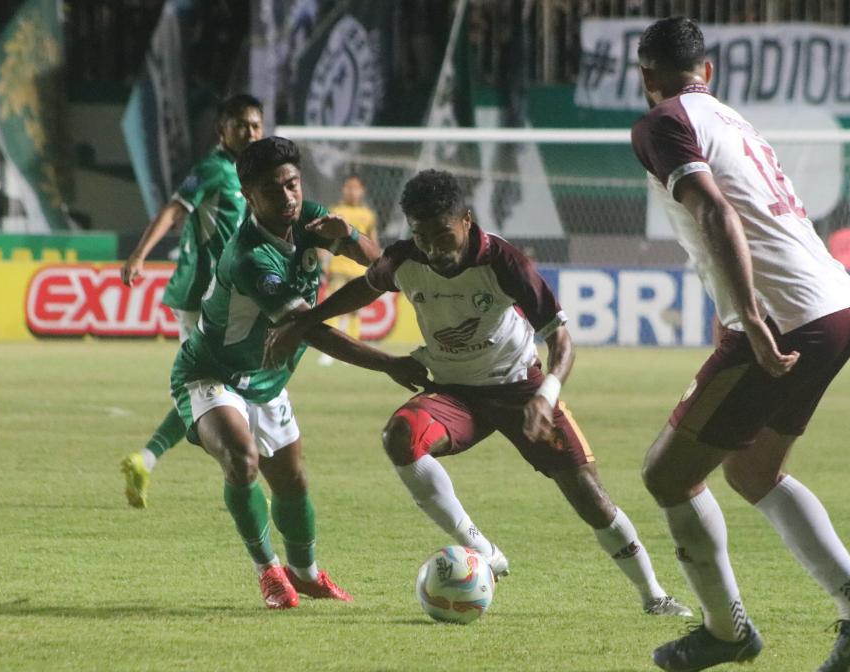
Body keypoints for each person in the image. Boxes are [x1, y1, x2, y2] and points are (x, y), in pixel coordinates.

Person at [265, 169, 694, 618]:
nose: (434, 248)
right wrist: (304, 322)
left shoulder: (505, 263)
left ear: (467, 220)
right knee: (399, 437)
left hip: (520, 391)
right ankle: (480, 547)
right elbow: (364, 288)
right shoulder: (405, 259)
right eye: (422, 236)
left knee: (588, 494)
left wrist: (545, 396)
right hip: (454, 394)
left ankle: (654, 595)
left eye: (443, 234)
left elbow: (562, 343)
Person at [629, 17, 850, 672]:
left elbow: (717, 211)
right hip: (838, 306)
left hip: (785, 317)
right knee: (752, 470)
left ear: (644, 77)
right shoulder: (733, 121)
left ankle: (727, 632)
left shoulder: (662, 123)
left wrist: (749, 316)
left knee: (668, 473)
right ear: (709, 72)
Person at [169, 135, 411, 609]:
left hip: (265, 377)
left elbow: (378, 264)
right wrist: (388, 363)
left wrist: (349, 237)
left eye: (293, 185)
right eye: (273, 190)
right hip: (211, 371)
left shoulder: (307, 216)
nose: (287, 197)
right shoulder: (250, 257)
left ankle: (307, 573)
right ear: (249, 195)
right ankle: (269, 573)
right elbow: (311, 331)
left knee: (293, 481)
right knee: (242, 460)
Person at [118, 93, 263, 509]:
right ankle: (241, 474)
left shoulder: (253, 174)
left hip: (231, 297)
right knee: (210, 386)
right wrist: (140, 255)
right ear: (223, 130)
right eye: (241, 126)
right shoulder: (212, 170)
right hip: (202, 296)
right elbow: (173, 210)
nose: (250, 133)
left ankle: (146, 458)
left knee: (220, 384)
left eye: (256, 125)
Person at [318, 173, 379, 366]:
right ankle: (329, 350)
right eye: (348, 187)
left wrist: (377, 264)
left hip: (359, 270)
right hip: (338, 266)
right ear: (343, 189)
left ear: (362, 191)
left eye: (356, 187)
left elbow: (373, 241)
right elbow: (324, 238)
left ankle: (353, 350)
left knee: (355, 311)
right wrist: (322, 260)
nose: (352, 191)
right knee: (332, 308)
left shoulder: (368, 215)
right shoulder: (336, 210)